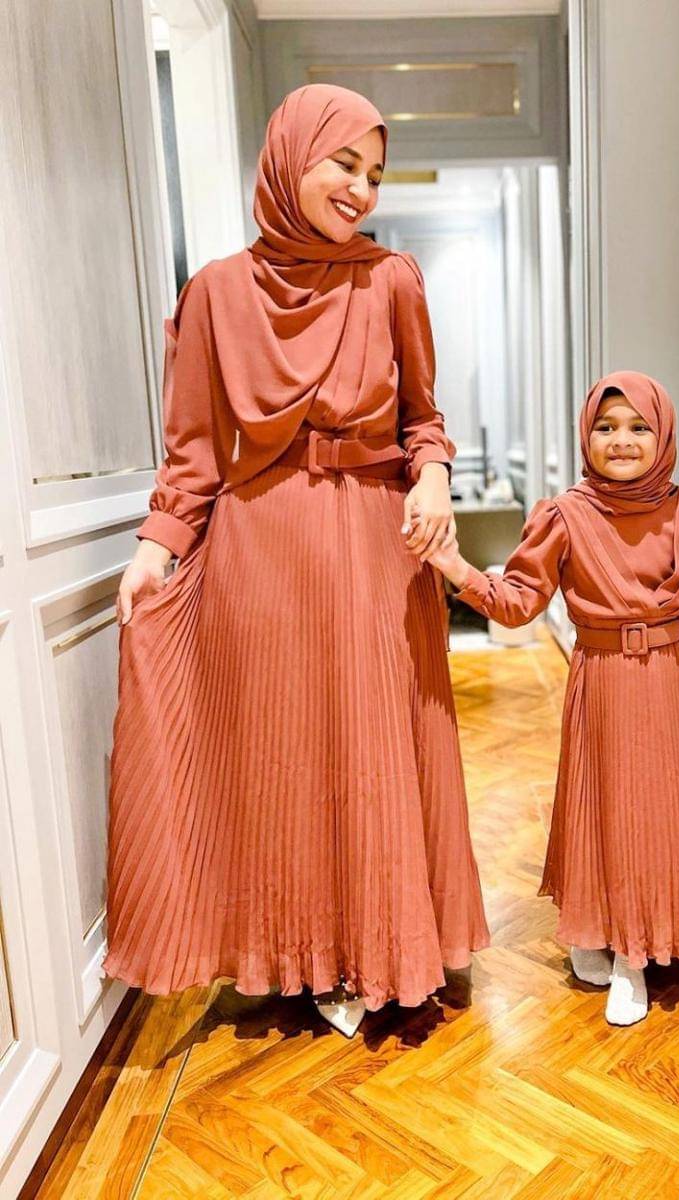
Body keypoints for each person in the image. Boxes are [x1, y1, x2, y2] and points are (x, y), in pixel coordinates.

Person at [104, 84, 490, 1037]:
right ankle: (306, 954)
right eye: (343, 164)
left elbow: (424, 418)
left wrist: (434, 478)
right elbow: (193, 454)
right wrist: (155, 551)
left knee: (373, 748)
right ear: (287, 158)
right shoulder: (214, 293)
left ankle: (385, 945)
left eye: (375, 174)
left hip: (373, 547)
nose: (361, 189)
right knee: (284, 753)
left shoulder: (391, 279)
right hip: (261, 554)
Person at [422, 371, 679, 1025]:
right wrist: (456, 569)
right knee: (612, 809)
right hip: (606, 679)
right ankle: (623, 953)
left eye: (639, 427)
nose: (622, 440)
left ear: (663, 435)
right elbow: (518, 602)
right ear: (587, 436)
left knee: (662, 811)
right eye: (607, 427)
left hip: (676, 678)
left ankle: (644, 935)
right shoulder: (565, 515)